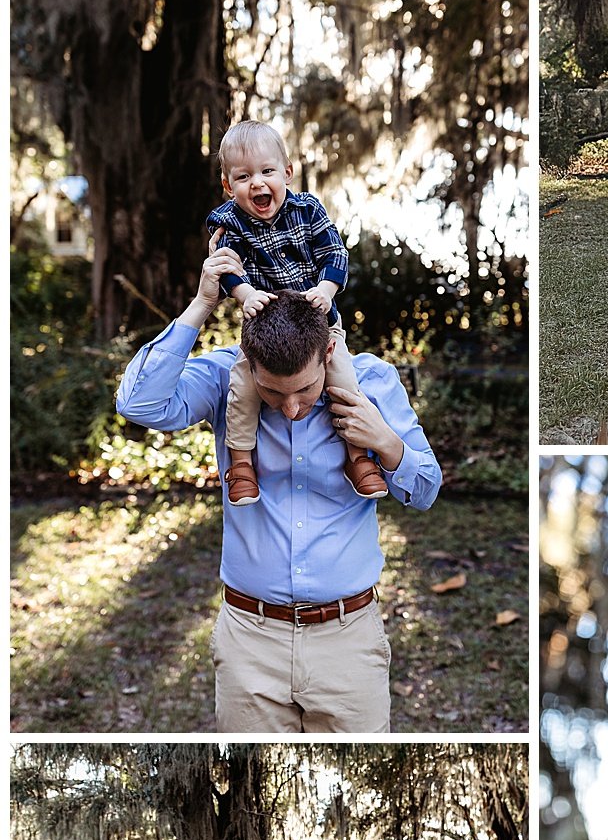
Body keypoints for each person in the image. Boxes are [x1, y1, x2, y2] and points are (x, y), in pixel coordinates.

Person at [116, 249, 442, 731]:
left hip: (349, 641)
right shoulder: (229, 378)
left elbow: (426, 489)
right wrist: (203, 303)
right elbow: (140, 403)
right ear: (250, 365)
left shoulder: (371, 380)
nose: (290, 408)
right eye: (272, 393)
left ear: (328, 354)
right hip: (250, 641)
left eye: (305, 391)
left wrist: (387, 445)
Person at [206, 120, 387, 505]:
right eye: (243, 176)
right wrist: (244, 293)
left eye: (267, 171)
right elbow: (226, 268)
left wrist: (326, 288)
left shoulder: (307, 211)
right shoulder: (230, 223)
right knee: (242, 386)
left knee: (343, 380)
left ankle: (358, 458)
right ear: (228, 185)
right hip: (265, 334)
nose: (257, 183)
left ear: (286, 173)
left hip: (320, 324)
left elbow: (335, 253)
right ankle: (240, 465)